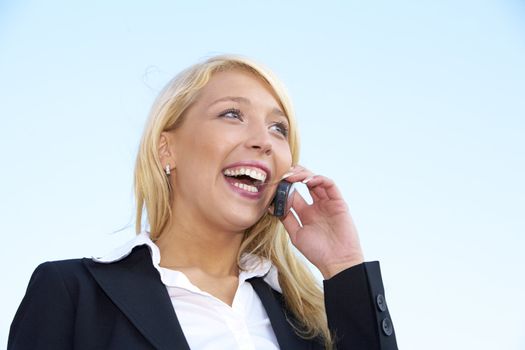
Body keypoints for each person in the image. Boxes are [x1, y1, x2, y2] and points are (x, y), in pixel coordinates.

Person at [8, 55, 398, 350]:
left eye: (278, 128)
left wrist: (343, 265)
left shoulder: (306, 321)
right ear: (167, 149)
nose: (263, 140)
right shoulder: (72, 294)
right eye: (232, 114)